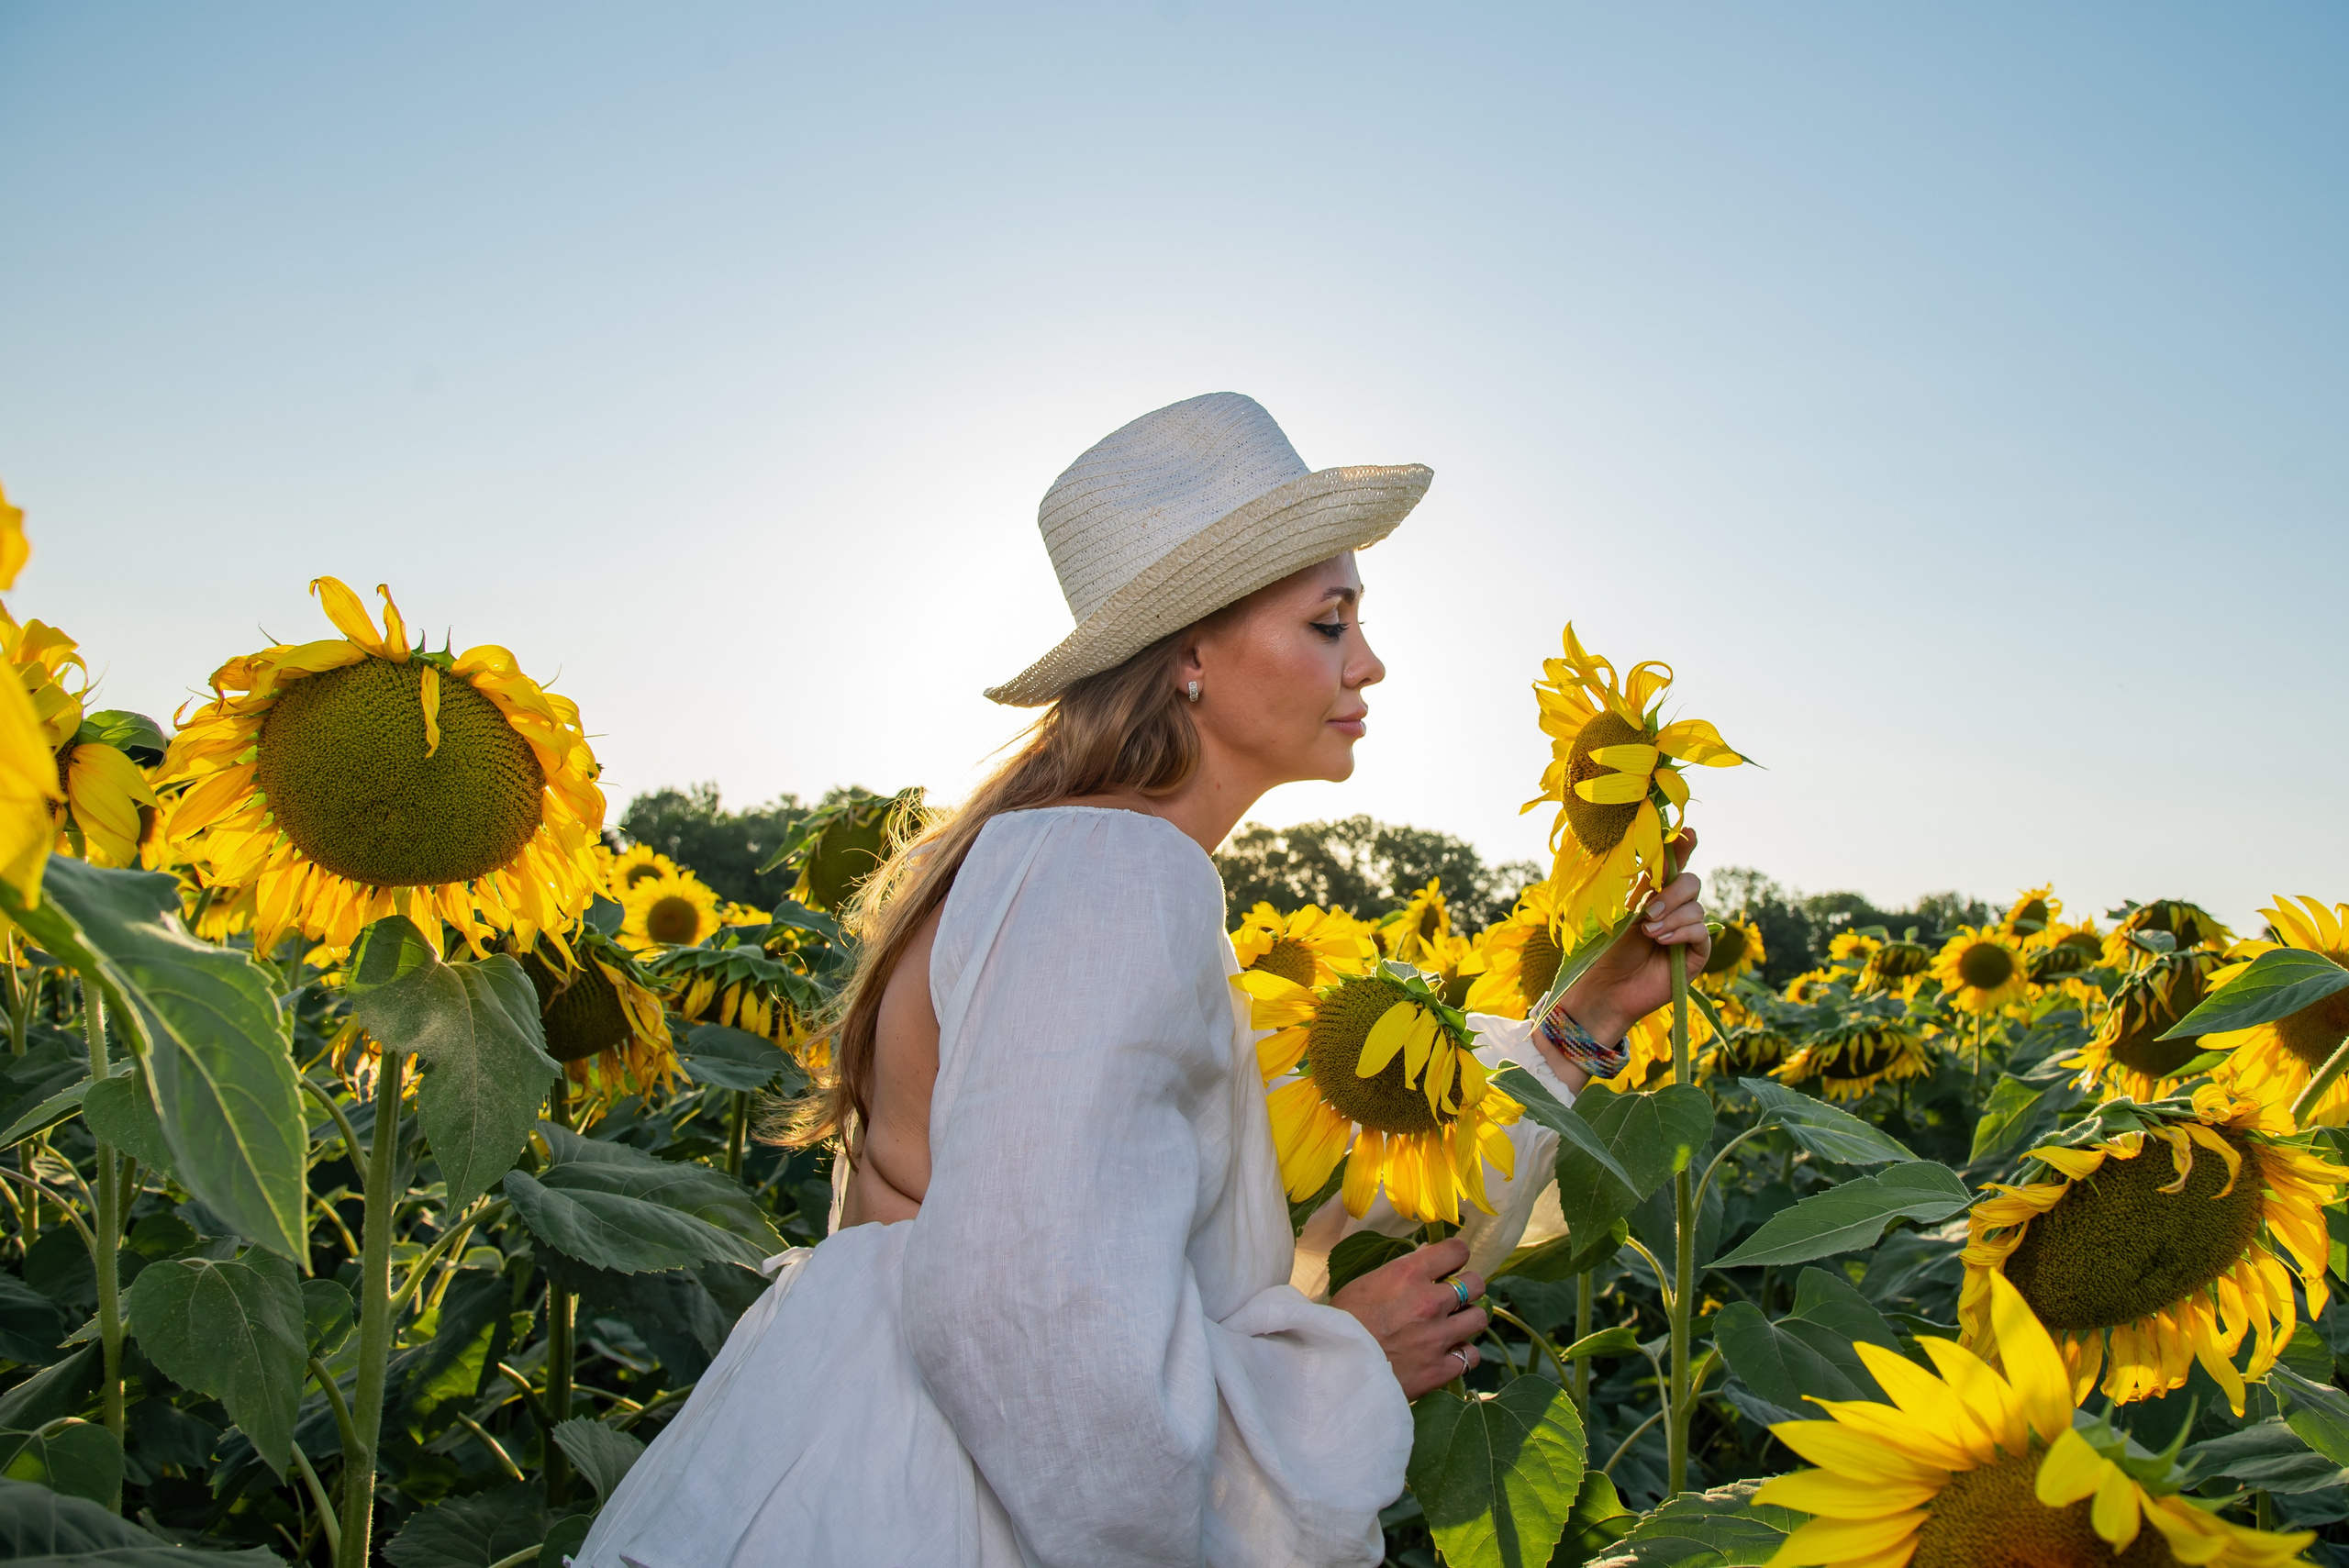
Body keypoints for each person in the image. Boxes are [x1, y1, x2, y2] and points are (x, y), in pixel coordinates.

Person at [576, 393, 1711, 1567]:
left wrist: (1581, 1021)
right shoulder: (1108, 875)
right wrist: (1336, 1372)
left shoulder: (1062, 860)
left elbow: (1201, 1233)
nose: (1368, 661)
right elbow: (1035, 1327)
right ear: (1188, 657)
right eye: (1330, 621)